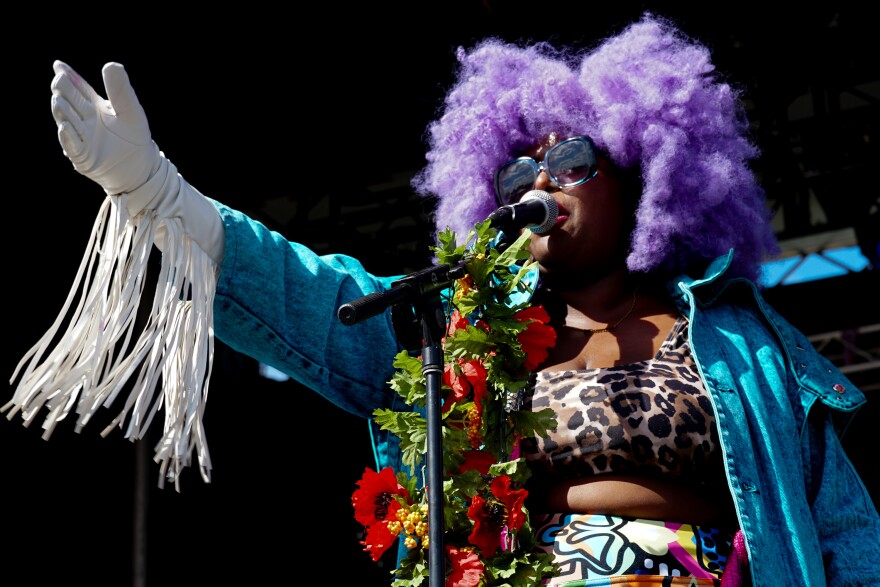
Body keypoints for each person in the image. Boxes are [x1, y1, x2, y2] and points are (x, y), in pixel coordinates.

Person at [5, 12, 879, 587]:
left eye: (572, 159)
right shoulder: (461, 331)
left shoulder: (740, 340)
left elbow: (842, 528)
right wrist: (160, 194)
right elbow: (312, 297)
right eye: (517, 169)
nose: (542, 178)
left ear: (647, 175)